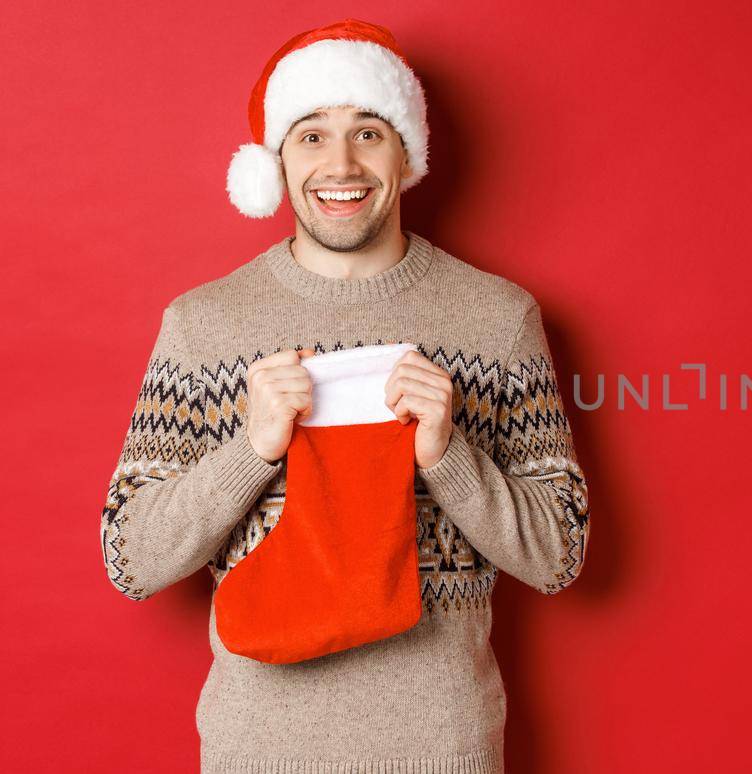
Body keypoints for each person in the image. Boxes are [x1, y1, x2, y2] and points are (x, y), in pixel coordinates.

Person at [97, 18, 590, 772]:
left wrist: (449, 456)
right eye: (312, 136)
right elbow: (130, 560)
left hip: (441, 746)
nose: (342, 163)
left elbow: (560, 556)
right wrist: (251, 450)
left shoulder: (497, 319)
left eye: (368, 132)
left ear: (407, 153)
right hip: (257, 750)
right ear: (278, 161)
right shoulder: (203, 325)